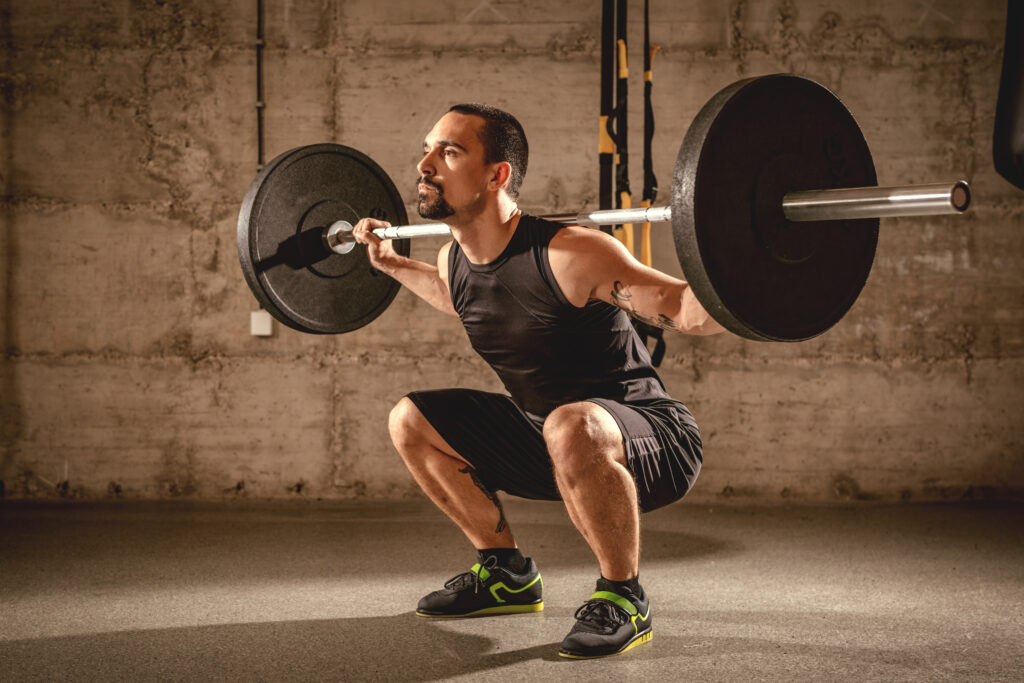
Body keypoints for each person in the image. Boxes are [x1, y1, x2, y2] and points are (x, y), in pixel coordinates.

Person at [351, 103, 724, 659]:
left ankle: (625, 597)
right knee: (411, 419)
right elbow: (468, 303)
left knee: (570, 421)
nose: (425, 164)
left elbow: (687, 310)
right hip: (549, 437)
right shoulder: (456, 260)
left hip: (651, 439)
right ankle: (506, 572)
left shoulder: (570, 252)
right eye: (428, 148)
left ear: (497, 174)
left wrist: (741, 256)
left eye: (449, 152)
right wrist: (391, 263)